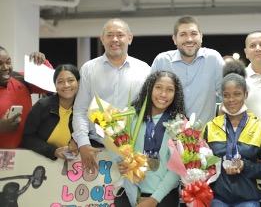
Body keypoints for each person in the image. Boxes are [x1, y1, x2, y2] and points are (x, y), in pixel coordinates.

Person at [72, 18, 150, 173]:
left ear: (129, 38)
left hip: (132, 151)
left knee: (130, 196)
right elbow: (80, 109)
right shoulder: (89, 69)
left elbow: (149, 112)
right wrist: (83, 143)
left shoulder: (144, 70)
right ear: (102, 39)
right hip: (95, 149)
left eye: (120, 35)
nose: (115, 39)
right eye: (109, 35)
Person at [202, 61, 261, 206]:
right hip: (217, 197)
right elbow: (202, 164)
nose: (231, 100)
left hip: (248, 198)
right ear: (221, 97)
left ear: (246, 94)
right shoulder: (210, 128)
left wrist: (244, 165)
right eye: (226, 95)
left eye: (237, 94)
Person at [115, 71, 186, 207]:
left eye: (169, 90)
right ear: (150, 88)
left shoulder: (179, 123)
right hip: (131, 190)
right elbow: (122, 151)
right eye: (158, 87)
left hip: (163, 195)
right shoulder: (131, 116)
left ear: (176, 94)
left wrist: (154, 199)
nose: (163, 94)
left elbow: (177, 169)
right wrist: (122, 163)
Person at [150, 15, 224, 126]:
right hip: (168, 138)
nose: (189, 39)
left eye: (194, 34)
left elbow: (227, 95)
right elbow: (149, 98)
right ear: (174, 39)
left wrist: (218, 127)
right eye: (183, 34)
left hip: (205, 137)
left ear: (201, 37)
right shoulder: (162, 61)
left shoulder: (213, 59)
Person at [20, 64, 80, 160]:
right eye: (60, 82)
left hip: (74, 169)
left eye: (71, 80)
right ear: (55, 86)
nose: (66, 85)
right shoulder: (42, 106)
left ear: (78, 83)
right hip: (41, 163)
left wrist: (77, 141)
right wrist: (53, 151)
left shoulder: (84, 109)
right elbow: (27, 139)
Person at [0, 46, 53, 148]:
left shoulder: (21, 79)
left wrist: (43, 63)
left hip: (26, 152)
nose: (6, 67)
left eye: (8, 62)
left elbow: (53, 84)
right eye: (0, 64)